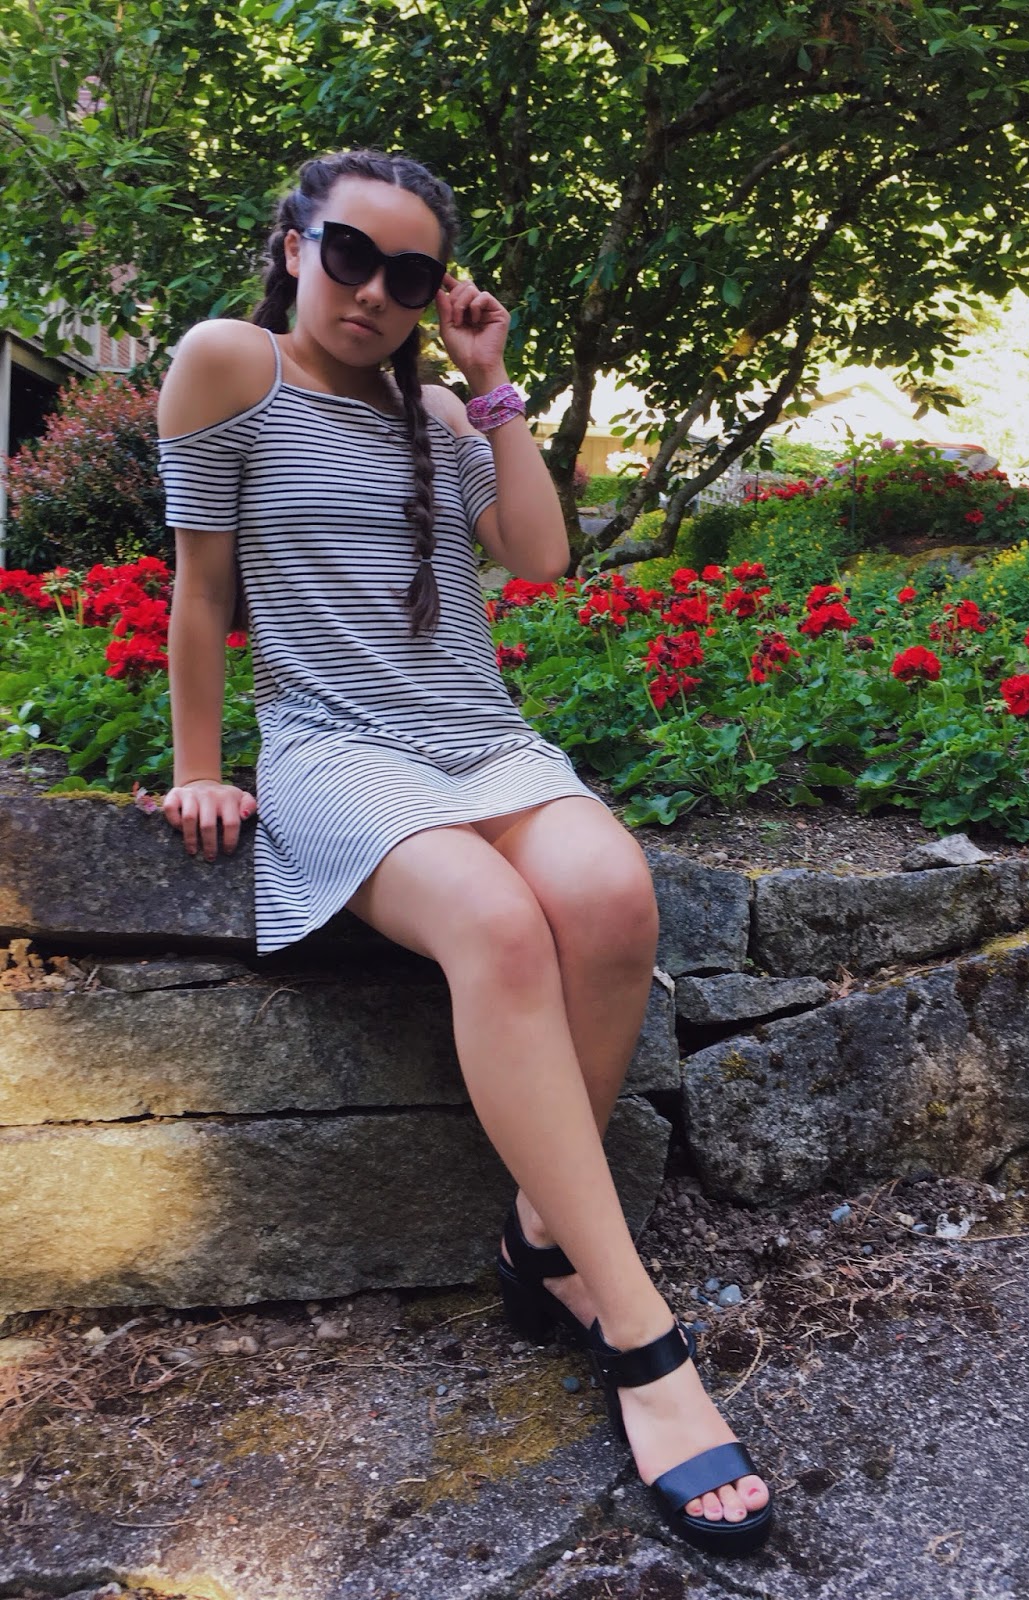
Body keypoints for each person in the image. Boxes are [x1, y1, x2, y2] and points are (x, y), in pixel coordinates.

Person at [155, 148, 773, 1555]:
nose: (374, 291)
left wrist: (491, 382)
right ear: (296, 244)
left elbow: (541, 560)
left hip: (479, 738)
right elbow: (200, 591)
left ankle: (539, 1241)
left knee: (611, 897)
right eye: (349, 255)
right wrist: (199, 770)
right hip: (335, 747)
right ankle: (641, 1336)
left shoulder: (437, 408)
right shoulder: (228, 363)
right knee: (497, 928)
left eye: (411, 273)